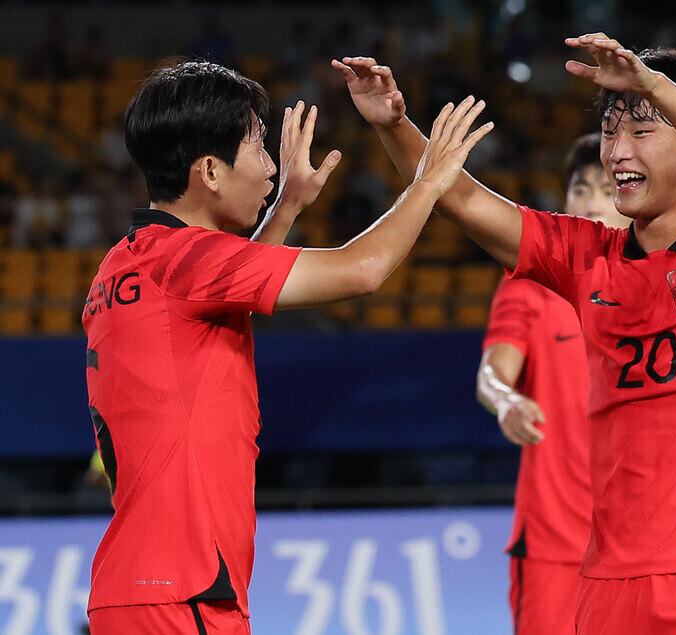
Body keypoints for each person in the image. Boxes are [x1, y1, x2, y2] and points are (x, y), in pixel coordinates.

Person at [335, 33, 676, 633]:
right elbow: (461, 200)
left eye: (642, 131)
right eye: (610, 131)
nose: (617, 151)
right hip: (607, 582)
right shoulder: (587, 257)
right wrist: (393, 125)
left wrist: (653, 84)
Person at [83, 60, 492, 633]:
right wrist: (429, 180)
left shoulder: (128, 262)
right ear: (210, 171)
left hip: (141, 587)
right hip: (183, 589)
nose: (272, 167)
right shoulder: (185, 262)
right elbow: (362, 270)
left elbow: (226, 298)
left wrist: (287, 208)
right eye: (257, 147)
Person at [476, 133, 628, 634]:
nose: (593, 204)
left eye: (607, 190)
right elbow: (492, 373)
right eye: (581, 190)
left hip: (639, 541)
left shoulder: (660, 283)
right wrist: (506, 401)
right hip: (554, 543)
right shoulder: (530, 283)